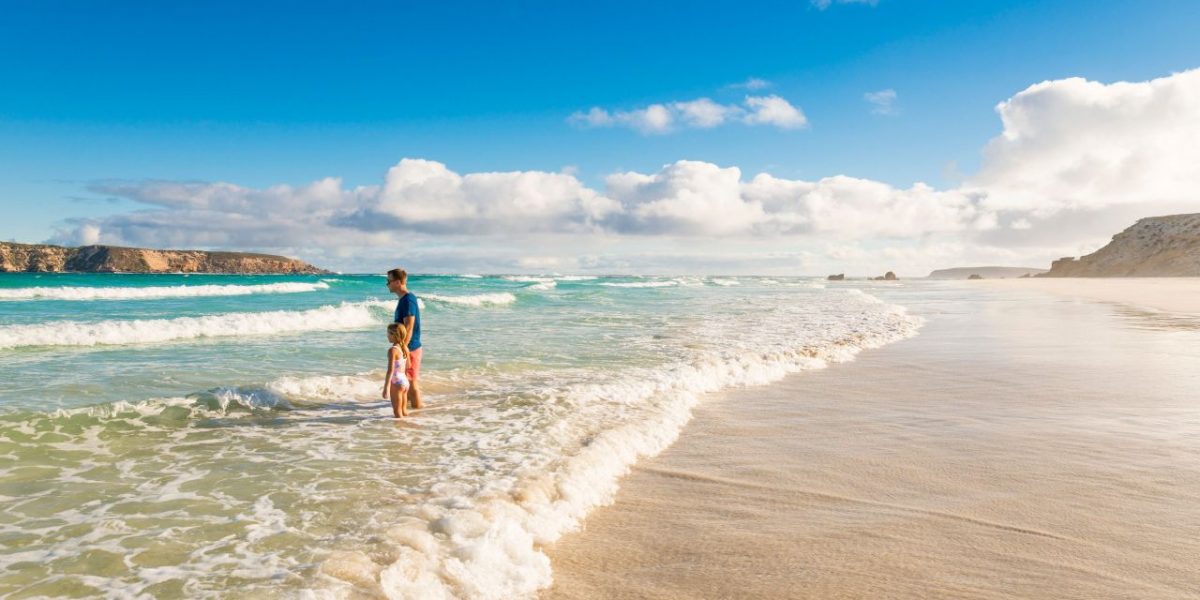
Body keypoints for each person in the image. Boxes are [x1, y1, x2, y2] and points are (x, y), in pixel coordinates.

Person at [386, 268, 423, 410]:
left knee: (411, 382)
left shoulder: (408, 300)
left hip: (410, 347)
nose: (387, 284)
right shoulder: (404, 300)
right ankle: (409, 412)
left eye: (388, 281)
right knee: (406, 382)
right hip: (407, 347)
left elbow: (409, 326)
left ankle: (419, 413)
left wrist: (403, 349)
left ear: (397, 282)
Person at [382, 323, 410, 418]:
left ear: (395, 335)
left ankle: (402, 431)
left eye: (389, 334)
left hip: (396, 382)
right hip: (404, 381)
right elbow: (408, 365)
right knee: (404, 411)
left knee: (397, 413)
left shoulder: (392, 350)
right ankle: (408, 430)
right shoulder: (405, 348)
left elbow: (390, 370)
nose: (387, 336)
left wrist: (386, 388)